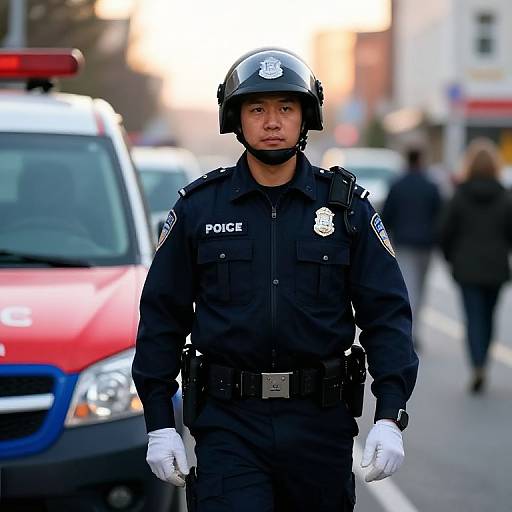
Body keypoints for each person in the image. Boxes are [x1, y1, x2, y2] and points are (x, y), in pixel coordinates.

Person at [132, 48, 418, 511]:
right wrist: (160, 422)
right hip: (229, 424)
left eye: (285, 108)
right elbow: (161, 317)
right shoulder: (200, 209)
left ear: (306, 117)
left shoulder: (346, 209)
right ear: (236, 118)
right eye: (257, 108)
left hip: (320, 424)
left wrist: (390, 413)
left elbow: (387, 315)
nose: (271, 121)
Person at [439, 138, 512, 393]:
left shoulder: (460, 196)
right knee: (489, 317)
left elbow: (445, 231)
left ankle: (477, 363)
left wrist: (451, 258)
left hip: (467, 268)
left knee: (473, 318)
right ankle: (484, 361)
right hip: (495, 267)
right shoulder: (505, 197)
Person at [381, 148, 442, 349]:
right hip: (426, 244)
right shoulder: (431, 185)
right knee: (421, 290)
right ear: (421, 159)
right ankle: (415, 332)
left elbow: (386, 215)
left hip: (404, 243)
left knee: (409, 288)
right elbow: (440, 214)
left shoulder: (397, 185)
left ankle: (408, 333)